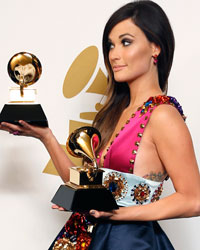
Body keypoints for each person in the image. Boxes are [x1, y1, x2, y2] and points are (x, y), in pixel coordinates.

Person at [1, 0, 200, 249]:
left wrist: (118, 214)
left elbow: (193, 200)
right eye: (110, 45)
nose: (114, 54)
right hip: (89, 235)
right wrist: (46, 137)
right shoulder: (114, 113)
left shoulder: (163, 116)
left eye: (126, 42)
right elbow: (83, 188)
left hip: (129, 241)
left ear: (155, 47)